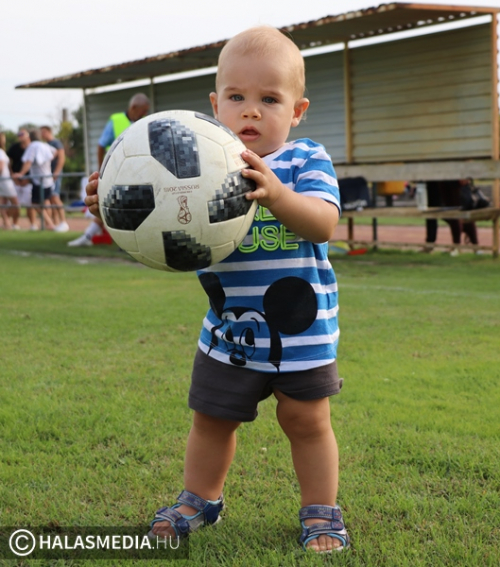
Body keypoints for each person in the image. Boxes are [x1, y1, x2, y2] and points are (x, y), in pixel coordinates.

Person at [84, 27, 348, 553]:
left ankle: (321, 511)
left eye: (269, 99)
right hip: (228, 334)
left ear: (297, 110)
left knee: (307, 422)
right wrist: (115, 206)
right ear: (214, 105)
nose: (251, 111)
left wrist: (277, 194)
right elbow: (160, 229)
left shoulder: (304, 159)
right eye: (236, 97)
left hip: (302, 334)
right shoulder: (197, 166)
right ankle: (200, 500)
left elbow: (323, 223)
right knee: (211, 421)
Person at [68, 92, 150, 247]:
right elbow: (101, 145)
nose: (145, 113)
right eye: (143, 110)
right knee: (111, 205)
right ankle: (92, 236)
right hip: (118, 174)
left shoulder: (144, 122)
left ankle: (93, 237)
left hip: (139, 174)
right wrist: (102, 171)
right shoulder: (116, 120)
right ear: (134, 107)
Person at [13, 129, 63, 231]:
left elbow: (28, 161)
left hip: (39, 180)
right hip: (48, 179)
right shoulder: (45, 145)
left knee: (35, 203)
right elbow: (55, 152)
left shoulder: (33, 146)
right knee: (46, 202)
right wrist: (46, 161)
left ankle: (50, 224)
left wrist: (21, 173)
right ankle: (48, 224)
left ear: (30, 138)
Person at [423, 180, 479, 255]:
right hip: (441, 179)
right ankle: (459, 245)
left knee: (458, 211)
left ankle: (470, 246)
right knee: (449, 211)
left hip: (454, 179)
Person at [40, 125, 69, 231]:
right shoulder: (46, 144)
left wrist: (56, 173)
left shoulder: (56, 143)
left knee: (55, 196)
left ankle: (64, 222)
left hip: (54, 175)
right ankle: (56, 223)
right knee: (51, 198)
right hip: (49, 175)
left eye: (43, 132)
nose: (42, 134)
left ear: (49, 132)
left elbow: (61, 158)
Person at [7, 129, 37, 230]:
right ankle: (14, 224)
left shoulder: (33, 147)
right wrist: (12, 176)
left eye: (22, 134)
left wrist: (28, 179)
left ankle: (33, 225)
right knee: (15, 204)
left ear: (28, 135)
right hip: (16, 180)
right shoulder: (14, 147)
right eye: (19, 134)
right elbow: (8, 162)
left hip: (29, 180)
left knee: (30, 204)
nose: (20, 136)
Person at [0, 132, 21, 229]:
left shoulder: (2, 152)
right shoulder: (0, 152)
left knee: (3, 203)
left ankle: (6, 223)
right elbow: (1, 168)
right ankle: (8, 223)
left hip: (5, 180)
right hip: (4, 181)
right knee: (15, 203)